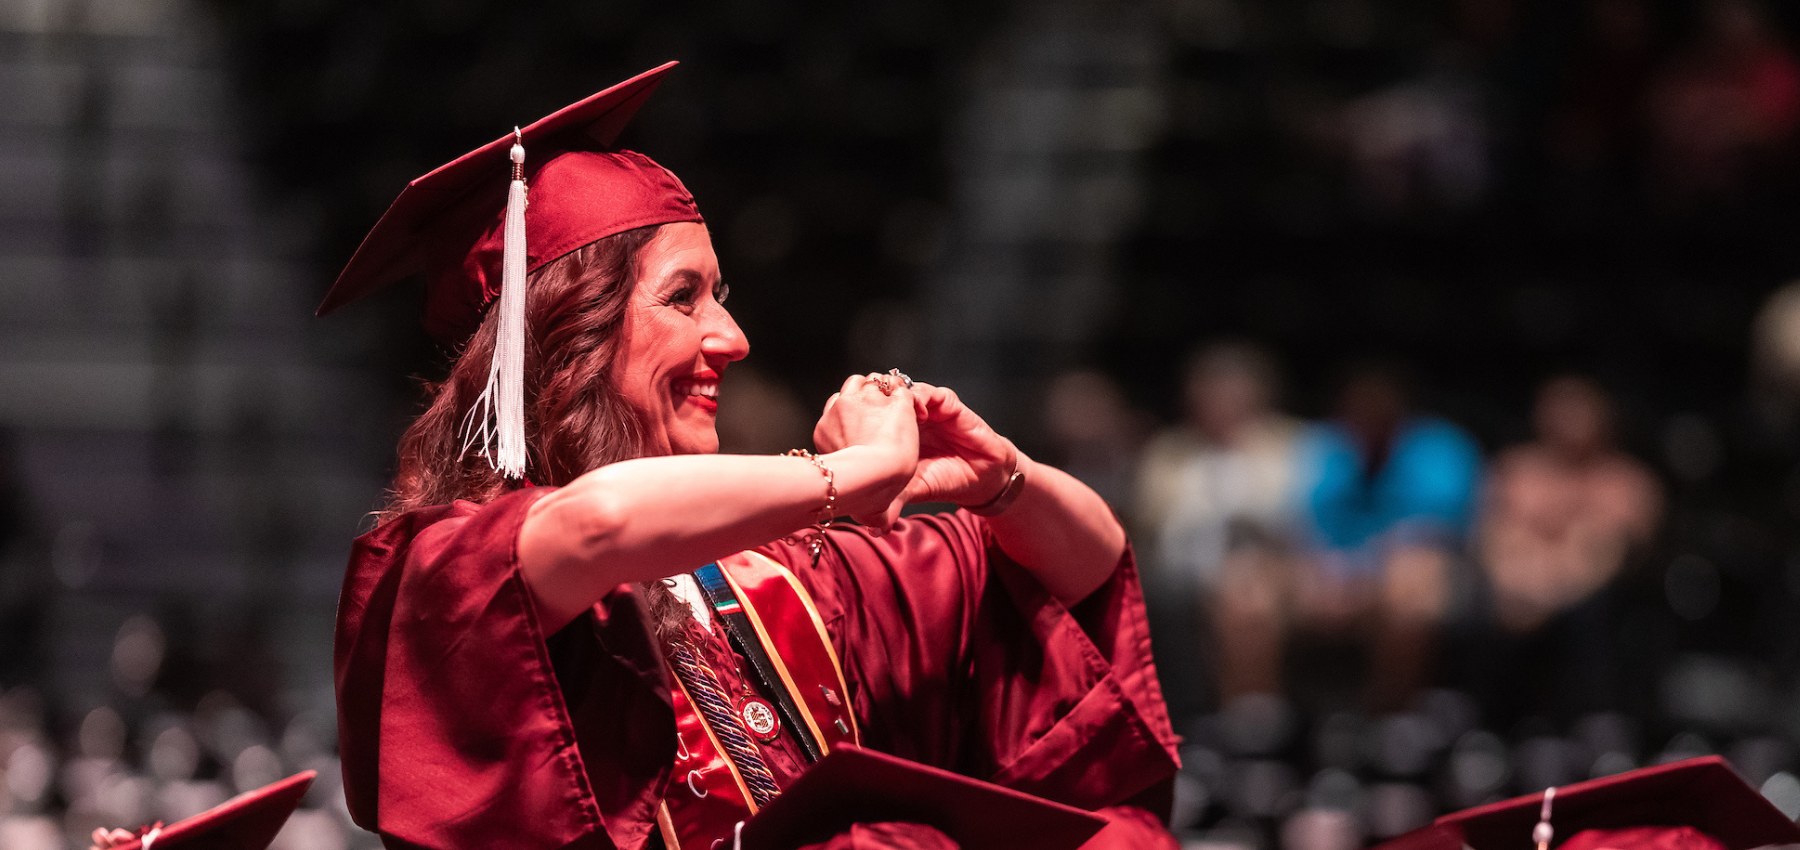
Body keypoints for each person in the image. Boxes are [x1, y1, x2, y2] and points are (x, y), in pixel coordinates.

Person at [317, 64, 1178, 850]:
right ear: (568, 338)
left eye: (720, 297)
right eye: (684, 297)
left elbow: (1089, 571)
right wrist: (848, 477)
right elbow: (595, 524)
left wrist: (1002, 481)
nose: (732, 336)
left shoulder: (775, 572)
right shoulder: (442, 576)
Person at [1294, 362, 1482, 711]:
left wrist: (1366, 574)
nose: (1368, 423)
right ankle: (1257, 728)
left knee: (1410, 583)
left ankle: (1390, 720)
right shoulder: (1326, 448)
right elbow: (1304, 529)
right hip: (1334, 578)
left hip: (1421, 574)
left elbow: (1441, 534)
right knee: (1250, 589)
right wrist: (1330, 573)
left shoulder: (1441, 448)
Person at [1133, 343, 1305, 708]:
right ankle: (1251, 716)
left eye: (1232, 391)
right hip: (1187, 567)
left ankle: (1250, 714)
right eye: (1210, 392)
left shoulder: (1289, 443)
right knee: (1243, 593)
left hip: (1273, 567)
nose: (1221, 402)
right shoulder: (1169, 451)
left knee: (1247, 591)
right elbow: (1158, 526)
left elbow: (1294, 520)